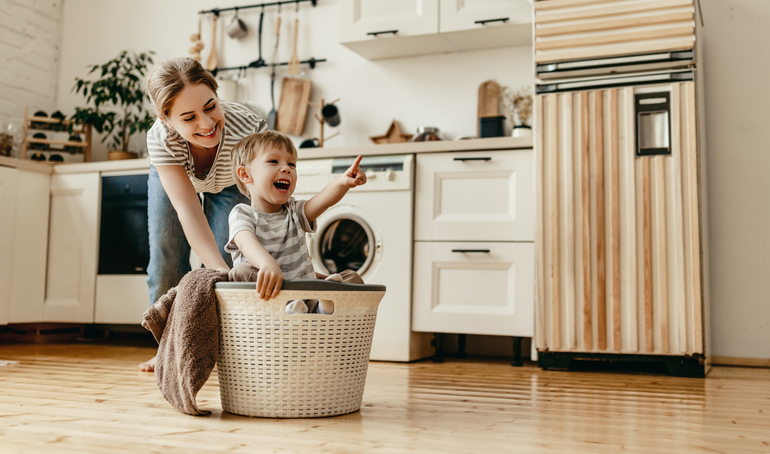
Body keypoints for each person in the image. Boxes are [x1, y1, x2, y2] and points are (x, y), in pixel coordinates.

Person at [138, 57, 267, 372]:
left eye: (211, 107)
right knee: (167, 258)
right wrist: (218, 272)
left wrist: (229, 271)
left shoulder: (249, 126)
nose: (207, 124)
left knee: (230, 259)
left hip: (231, 183)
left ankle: (223, 351)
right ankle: (169, 349)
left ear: (217, 94)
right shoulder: (161, 139)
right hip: (178, 175)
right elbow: (187, 210)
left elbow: (263, 197)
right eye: (189, 117)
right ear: (168, 120)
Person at [225, 131, 366, 312]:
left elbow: (323, 200)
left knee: (351, 278)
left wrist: (343, 183)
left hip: (307, 294)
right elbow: (246, 242)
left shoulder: (294, 212)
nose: (286, 168)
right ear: (245, 174)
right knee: (240, 272)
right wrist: (267, 264)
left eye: (291, 164)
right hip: (269, 299)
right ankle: (294, 307)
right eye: (273, 161)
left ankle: (323, 306)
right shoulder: (242, 213)